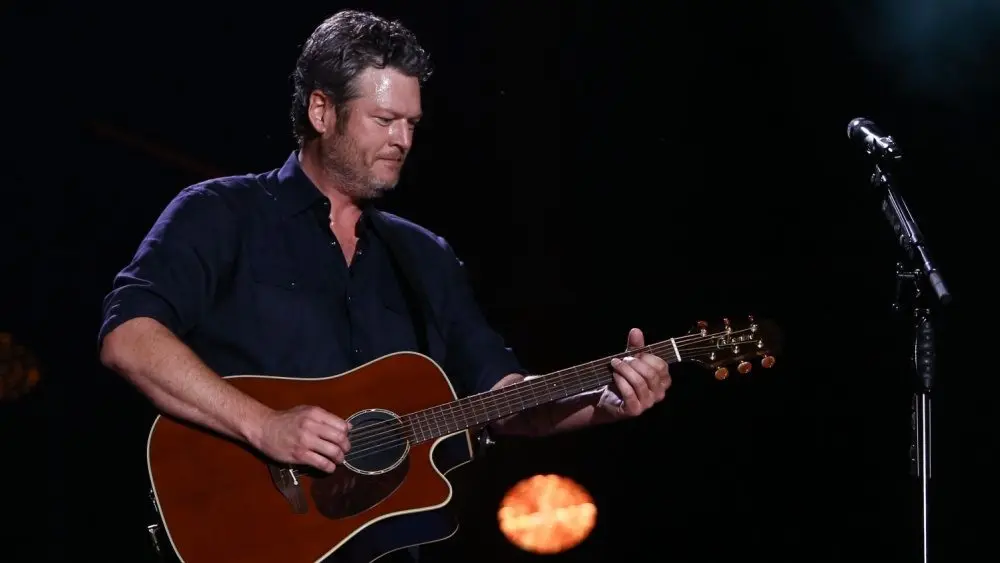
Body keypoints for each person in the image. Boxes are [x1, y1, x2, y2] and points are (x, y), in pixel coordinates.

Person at [98, 9, 671, 562]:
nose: (402, 139)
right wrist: (265, 425)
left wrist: (602, 402)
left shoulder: (426, 257)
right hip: (238, 534)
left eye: (412, 123)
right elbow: (129, 339)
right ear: (323, 112)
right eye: (384, 120)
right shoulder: (221, 213)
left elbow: (506, 402)